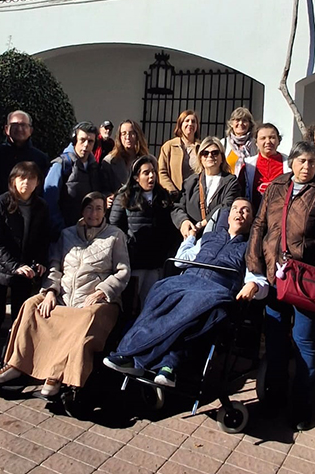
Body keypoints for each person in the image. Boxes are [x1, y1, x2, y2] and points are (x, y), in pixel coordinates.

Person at [0, 192, 129, 410]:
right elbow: (54, 266)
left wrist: (101, 291)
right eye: (89, 208)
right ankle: (16, 365)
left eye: (99, 208)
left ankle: (57, 374)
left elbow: (122, 271)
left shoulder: (115, 236)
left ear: (105, 211)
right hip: (65, 296)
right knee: (32, 305)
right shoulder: (67, 234)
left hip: (96, 301)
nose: (94, 213)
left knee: (85, 317)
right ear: (82, 211)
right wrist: (50, 290)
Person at [104, 198, 264, 387]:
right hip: (188, 280)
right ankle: (162, 364)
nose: (239, 213)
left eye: (246, 211)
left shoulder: (251, 248)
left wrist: (253, 284)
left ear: (252, 219)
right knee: (160, 290)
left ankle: (135, 357)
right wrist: (189, 240)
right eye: (235, 209)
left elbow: (260, 281)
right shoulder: (209, 237)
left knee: (194, 307)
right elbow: (181, 261)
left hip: (216, 289)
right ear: (227, 217)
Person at [246, 140, 315, 430]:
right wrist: (255, 266)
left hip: (305, 279)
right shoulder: (277, 186)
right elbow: (259, 226)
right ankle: (273, 399)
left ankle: (302, 407)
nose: (307, 167)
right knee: (276, 341)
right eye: (302, 161)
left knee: (305, 343)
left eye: (312, 162)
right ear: (292, 162)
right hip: (274, 275)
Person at [0, 161, 50, 372]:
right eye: (22, 178)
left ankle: (13, 362)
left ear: (38, 182)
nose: (26, 183)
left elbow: (42, 239)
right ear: (13, 181)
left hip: (24, 271)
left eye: (31, 178)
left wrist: (39, 262)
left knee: (21, 318)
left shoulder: (41, 206)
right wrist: (15, 265)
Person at [109, 155, 180, 307]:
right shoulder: (124, 197)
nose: (151, 176)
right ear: (136, 177)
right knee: (131, 306)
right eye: (146, 173)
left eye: (153, 172)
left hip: (156, 263)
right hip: (134, 263)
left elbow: (170, 229)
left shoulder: (163, 197)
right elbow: (115, 227)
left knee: (150, 304)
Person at [44, 121, 111, 239]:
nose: (86, 145)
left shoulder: (94, 167)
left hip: (89, 234)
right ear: (75, 140)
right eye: (82, 140)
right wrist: (61, 229)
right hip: (64, 234)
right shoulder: (61, 165)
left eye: (90, 141)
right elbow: (49, 199)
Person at [172, 137, 241, 238]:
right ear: (200, 158)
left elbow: (227, 205)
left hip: (217, 236)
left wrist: (203, 223)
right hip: (191, 237)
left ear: (222, 157)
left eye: (215, 153)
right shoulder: (191, 182)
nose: (210, 156)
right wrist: (183, 222)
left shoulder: (231, 181)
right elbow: (178, 206)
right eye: (205, 153)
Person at [0, 110, 50, 197]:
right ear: (6, 129)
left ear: (30, 130)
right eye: (14, 125)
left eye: (23, 125)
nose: (19, 129)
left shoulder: (40, 158)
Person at [238, 123, 289, 213]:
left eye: (272, 137)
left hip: (280, 216)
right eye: (263, 138)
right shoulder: (248, 166)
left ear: (279, 140)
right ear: (256, 142)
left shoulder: (289, 164)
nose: (268, 141)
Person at [158, 110, 200, 198]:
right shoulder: (169, 146)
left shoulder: (202, 148)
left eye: (193, 121)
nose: (190, 124)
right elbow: (161, 171)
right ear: (180, 124)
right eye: (187, 121)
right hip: (174, 196)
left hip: (195, 196)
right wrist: (172, 191)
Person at [102, 119, 151, 188]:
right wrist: (109, 196)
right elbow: (103, 188)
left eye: (132, 133)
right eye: (124, 134)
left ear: (138, 136)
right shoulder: (109, 161)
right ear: (119, 137)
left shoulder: (149, 161)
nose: (127, 137)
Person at [223, 107, 257, 177]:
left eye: (245, 120)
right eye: (237, 120)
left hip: (250, 186)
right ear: (231, 124)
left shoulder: (256, 144)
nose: (241, 123)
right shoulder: (223, 143)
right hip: (229, 186)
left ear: (250, 124)